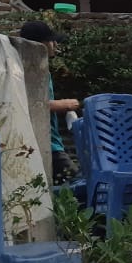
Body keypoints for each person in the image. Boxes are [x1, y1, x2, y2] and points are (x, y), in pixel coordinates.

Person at [19, 21, 79, 184]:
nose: (55, 45)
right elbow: (32, 104)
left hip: (50, 141)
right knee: (75, 184)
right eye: (51, 41)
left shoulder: (41, 69)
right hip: (47, 143)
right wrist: (64, 105)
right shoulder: (28, 71)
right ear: (39, 45)